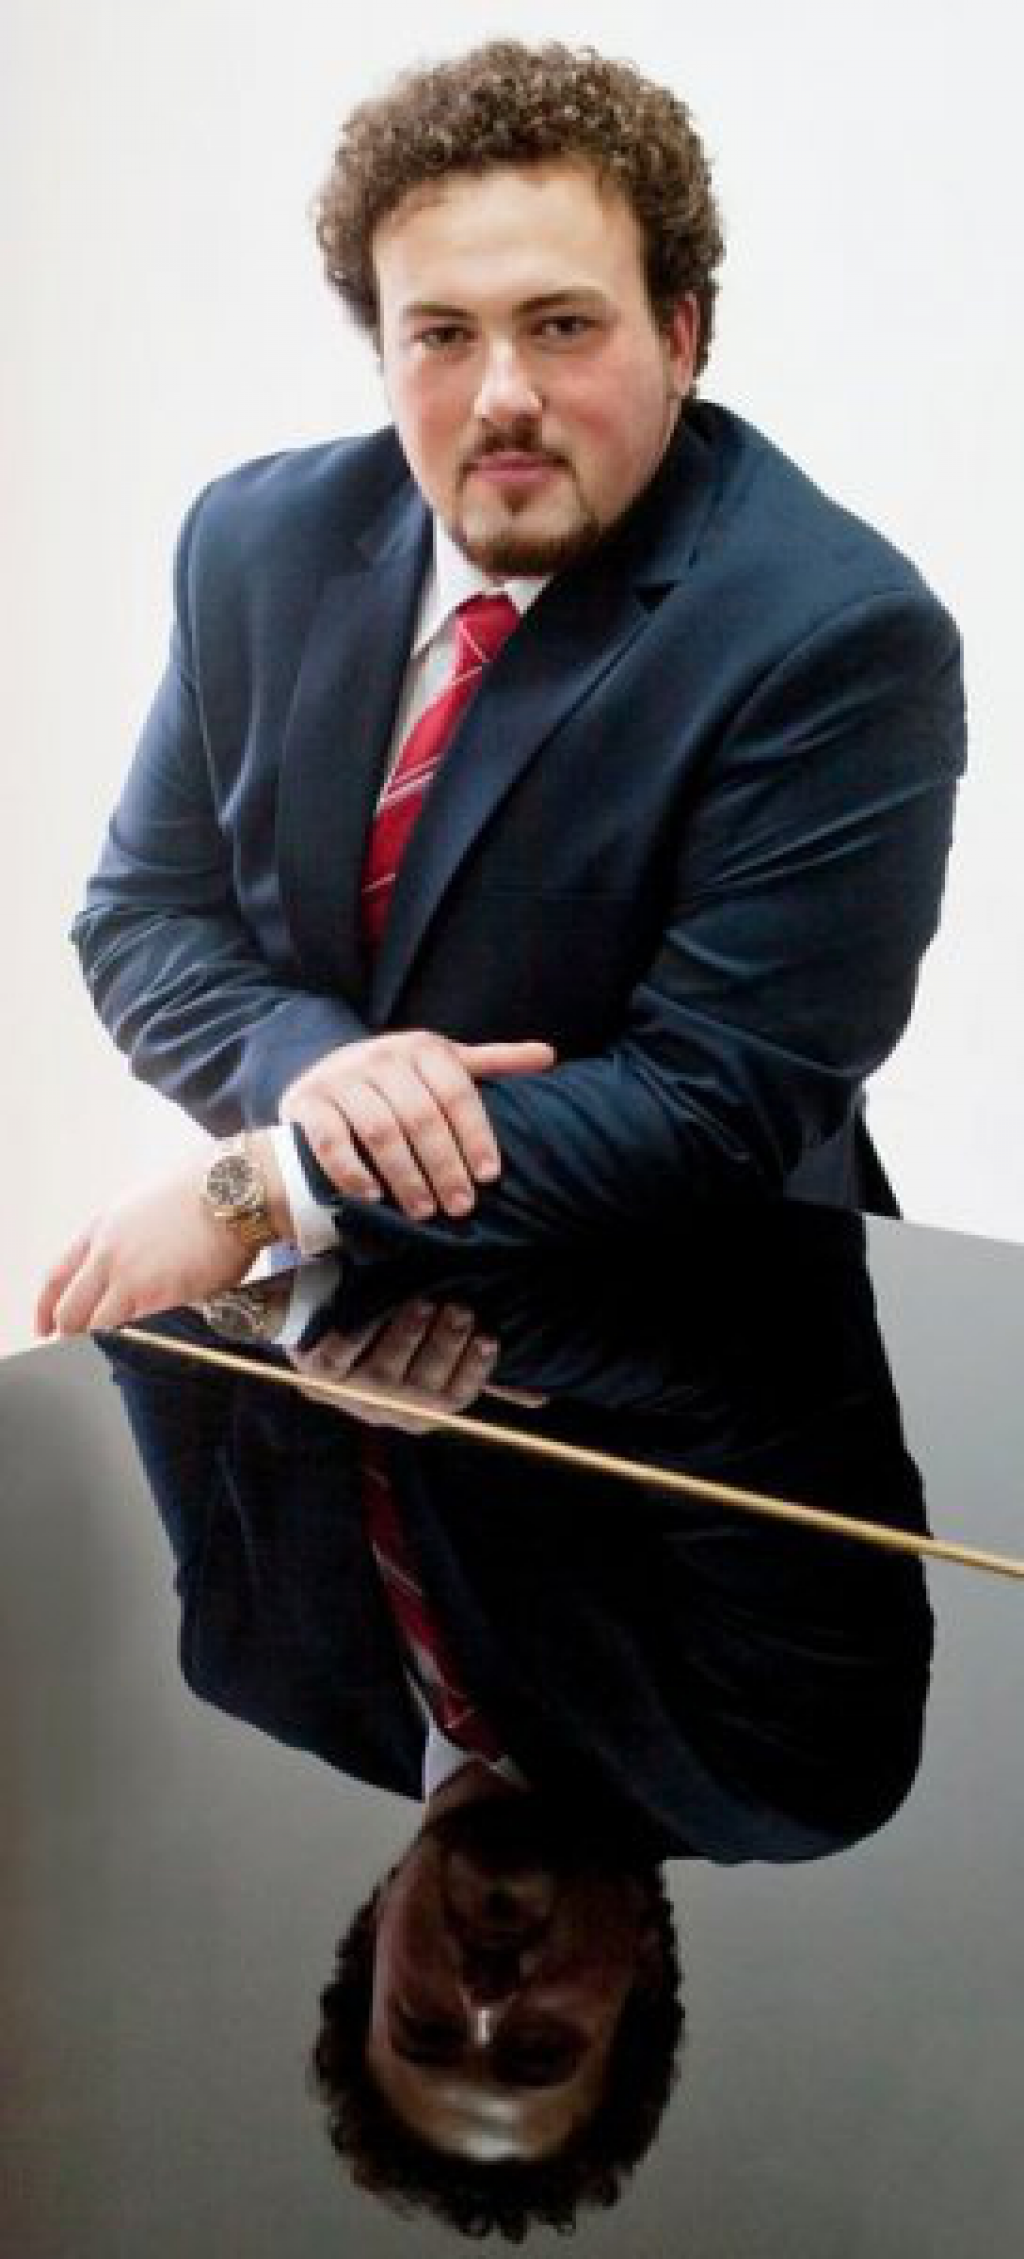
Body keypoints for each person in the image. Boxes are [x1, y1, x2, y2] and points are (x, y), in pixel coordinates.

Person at [42, 40, 965, 1334]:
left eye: (562, 326)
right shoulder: (250, 543)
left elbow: (713, 1097)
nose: (505, 396)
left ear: (682, 335)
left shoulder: (837, 637)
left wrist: (267, 1189)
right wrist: (318, 1070)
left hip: (689, 1358)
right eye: (442, 335)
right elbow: (146, 915)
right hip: (337, 1337)